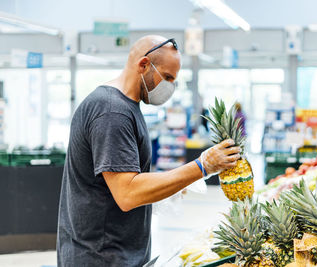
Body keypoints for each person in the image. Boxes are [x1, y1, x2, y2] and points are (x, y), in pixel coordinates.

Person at [56, 35, 241, 266]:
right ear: (143, 65)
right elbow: (127, 194)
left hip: (118, 253)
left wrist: (166, 188)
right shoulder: (112, 112)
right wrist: (202, 166)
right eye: (167, 77)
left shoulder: (127, 106)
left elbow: (122, 182)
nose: (170, 87)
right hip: (101, 258)